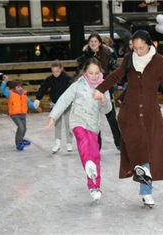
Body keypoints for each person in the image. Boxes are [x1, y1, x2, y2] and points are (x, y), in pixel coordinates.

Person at [93, 30, 163, 207]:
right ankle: (142, 177)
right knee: (140, 149)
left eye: (141, 48)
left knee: (148, 152)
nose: (138, 52)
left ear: (150, 44)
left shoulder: (160, 62)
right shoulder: (130, 59)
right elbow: (116, 75)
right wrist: (100, 89)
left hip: (151, 115)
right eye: (135, 48)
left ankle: (145, 191)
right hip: (130, 113)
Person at [44, 57, 112, 203]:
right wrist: (53, 117)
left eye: (96, 73)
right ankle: (87, 162)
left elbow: (108, 109)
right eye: (90, 73)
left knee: (95, 156)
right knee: (82, 140)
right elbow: (63, 100)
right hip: (78, 121)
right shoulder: (77, 85)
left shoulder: (103, 86)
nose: (93, 76)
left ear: (100, 72)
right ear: (85, 73)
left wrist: (103, 99)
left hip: (93, 125)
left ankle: (94, 187)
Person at [74, 32, 121, 151]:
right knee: (94, 119)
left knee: (111, 117)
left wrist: (115, 81)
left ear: (99, 43)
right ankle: (97, 145)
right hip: (91, 91)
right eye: (91, 41)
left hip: (105, 89)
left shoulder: (108, 55)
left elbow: (115, 70)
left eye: (95, 41)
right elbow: (79, 72)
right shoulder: (85, 57)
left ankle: (118, 141)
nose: (93, 43)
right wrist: (73, 85)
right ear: (88, 43)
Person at [34, 60, 73, 154]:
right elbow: (43, 87)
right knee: (57, 123)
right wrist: (38, 98)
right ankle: (57, 141)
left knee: (68, 123)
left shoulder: (67, 78)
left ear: (61, 69)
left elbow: (73, 90)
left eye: (57, 71)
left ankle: (69, 142)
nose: (55, 73)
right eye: (53, 72)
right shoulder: (50, 79)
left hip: (67, 104)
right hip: (56, 103)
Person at [0, 78, 42, 150]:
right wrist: (4, 82)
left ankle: (21, 139)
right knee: (21, 127)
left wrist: (36, 107)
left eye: (21, 86)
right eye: (18, 87)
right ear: (14, 87)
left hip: (22, 114)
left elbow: (29, 103)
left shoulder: (24, 95)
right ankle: (18, 142)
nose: (20, 88)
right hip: (14, 114)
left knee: (24, 128)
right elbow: (2, 90)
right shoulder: (10, 93)